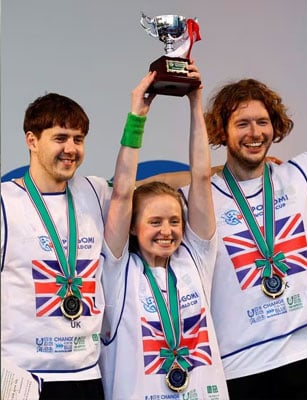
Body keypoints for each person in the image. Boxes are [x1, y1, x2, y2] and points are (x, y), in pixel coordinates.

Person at [186, 78, 307, 399]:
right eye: (242, 124)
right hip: (242, 366)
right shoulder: (200, 199)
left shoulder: (302, 174)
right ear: (222, 131)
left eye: (263, 122)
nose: (255, 133)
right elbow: (134, 190)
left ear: (275, 127)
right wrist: (206, 173)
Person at [99, 65, 228, 399]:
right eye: (155, 222)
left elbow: (200, 178)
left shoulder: (195, 260)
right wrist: (136, 118)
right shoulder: (118, 271)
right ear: (132, 226)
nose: (167, 231)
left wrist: (195, 103)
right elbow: (122, 193)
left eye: (174, 221)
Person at [0, 94, 110, 399]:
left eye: (78, 139)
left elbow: (152, 191)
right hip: (23, 379)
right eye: (60, 138)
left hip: (86, 375)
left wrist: (223, 173)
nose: (71, 149)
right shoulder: (5, 202)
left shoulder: (94, 192)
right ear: (32, 141)